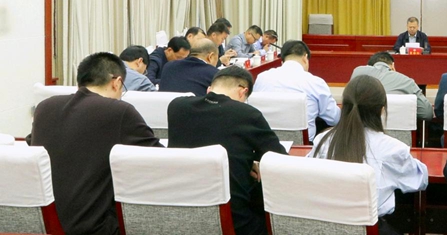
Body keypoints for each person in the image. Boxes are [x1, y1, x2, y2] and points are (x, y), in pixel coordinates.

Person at [30, 52, 162, 235]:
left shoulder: (45, 107)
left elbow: (33, 142)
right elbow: (160, 159)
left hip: (43, 226)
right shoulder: (119, 111)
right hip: (95, 228)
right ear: (117, 82)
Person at [168, 66, 287, 235]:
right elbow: (280, 160)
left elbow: (206, 139)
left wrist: (245, 160)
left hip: (181, 214)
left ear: (209, 89)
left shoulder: (177, 106)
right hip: (234, 221)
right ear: (243, 92)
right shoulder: (247, 114)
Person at [309, 75, 427, 235]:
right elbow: (420, 180)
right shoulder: (392, 149)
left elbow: (308, 176)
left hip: (326, 228)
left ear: (343, 107)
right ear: (382, 110)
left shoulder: (322, 141)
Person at [253, 40, 340, 140]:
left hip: (264, 143)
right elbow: (334, 119)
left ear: (282, 61)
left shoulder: (262, 78)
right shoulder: (315, 82)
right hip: (303, 146)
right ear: (305, 58)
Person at [350, 51, 433, 121]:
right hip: (397, 133)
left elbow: (348, 106)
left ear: (369, 66)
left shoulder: (358, 72)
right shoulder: (406, 81)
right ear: (393, 66)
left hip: (360, 132)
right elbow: (427, 113)